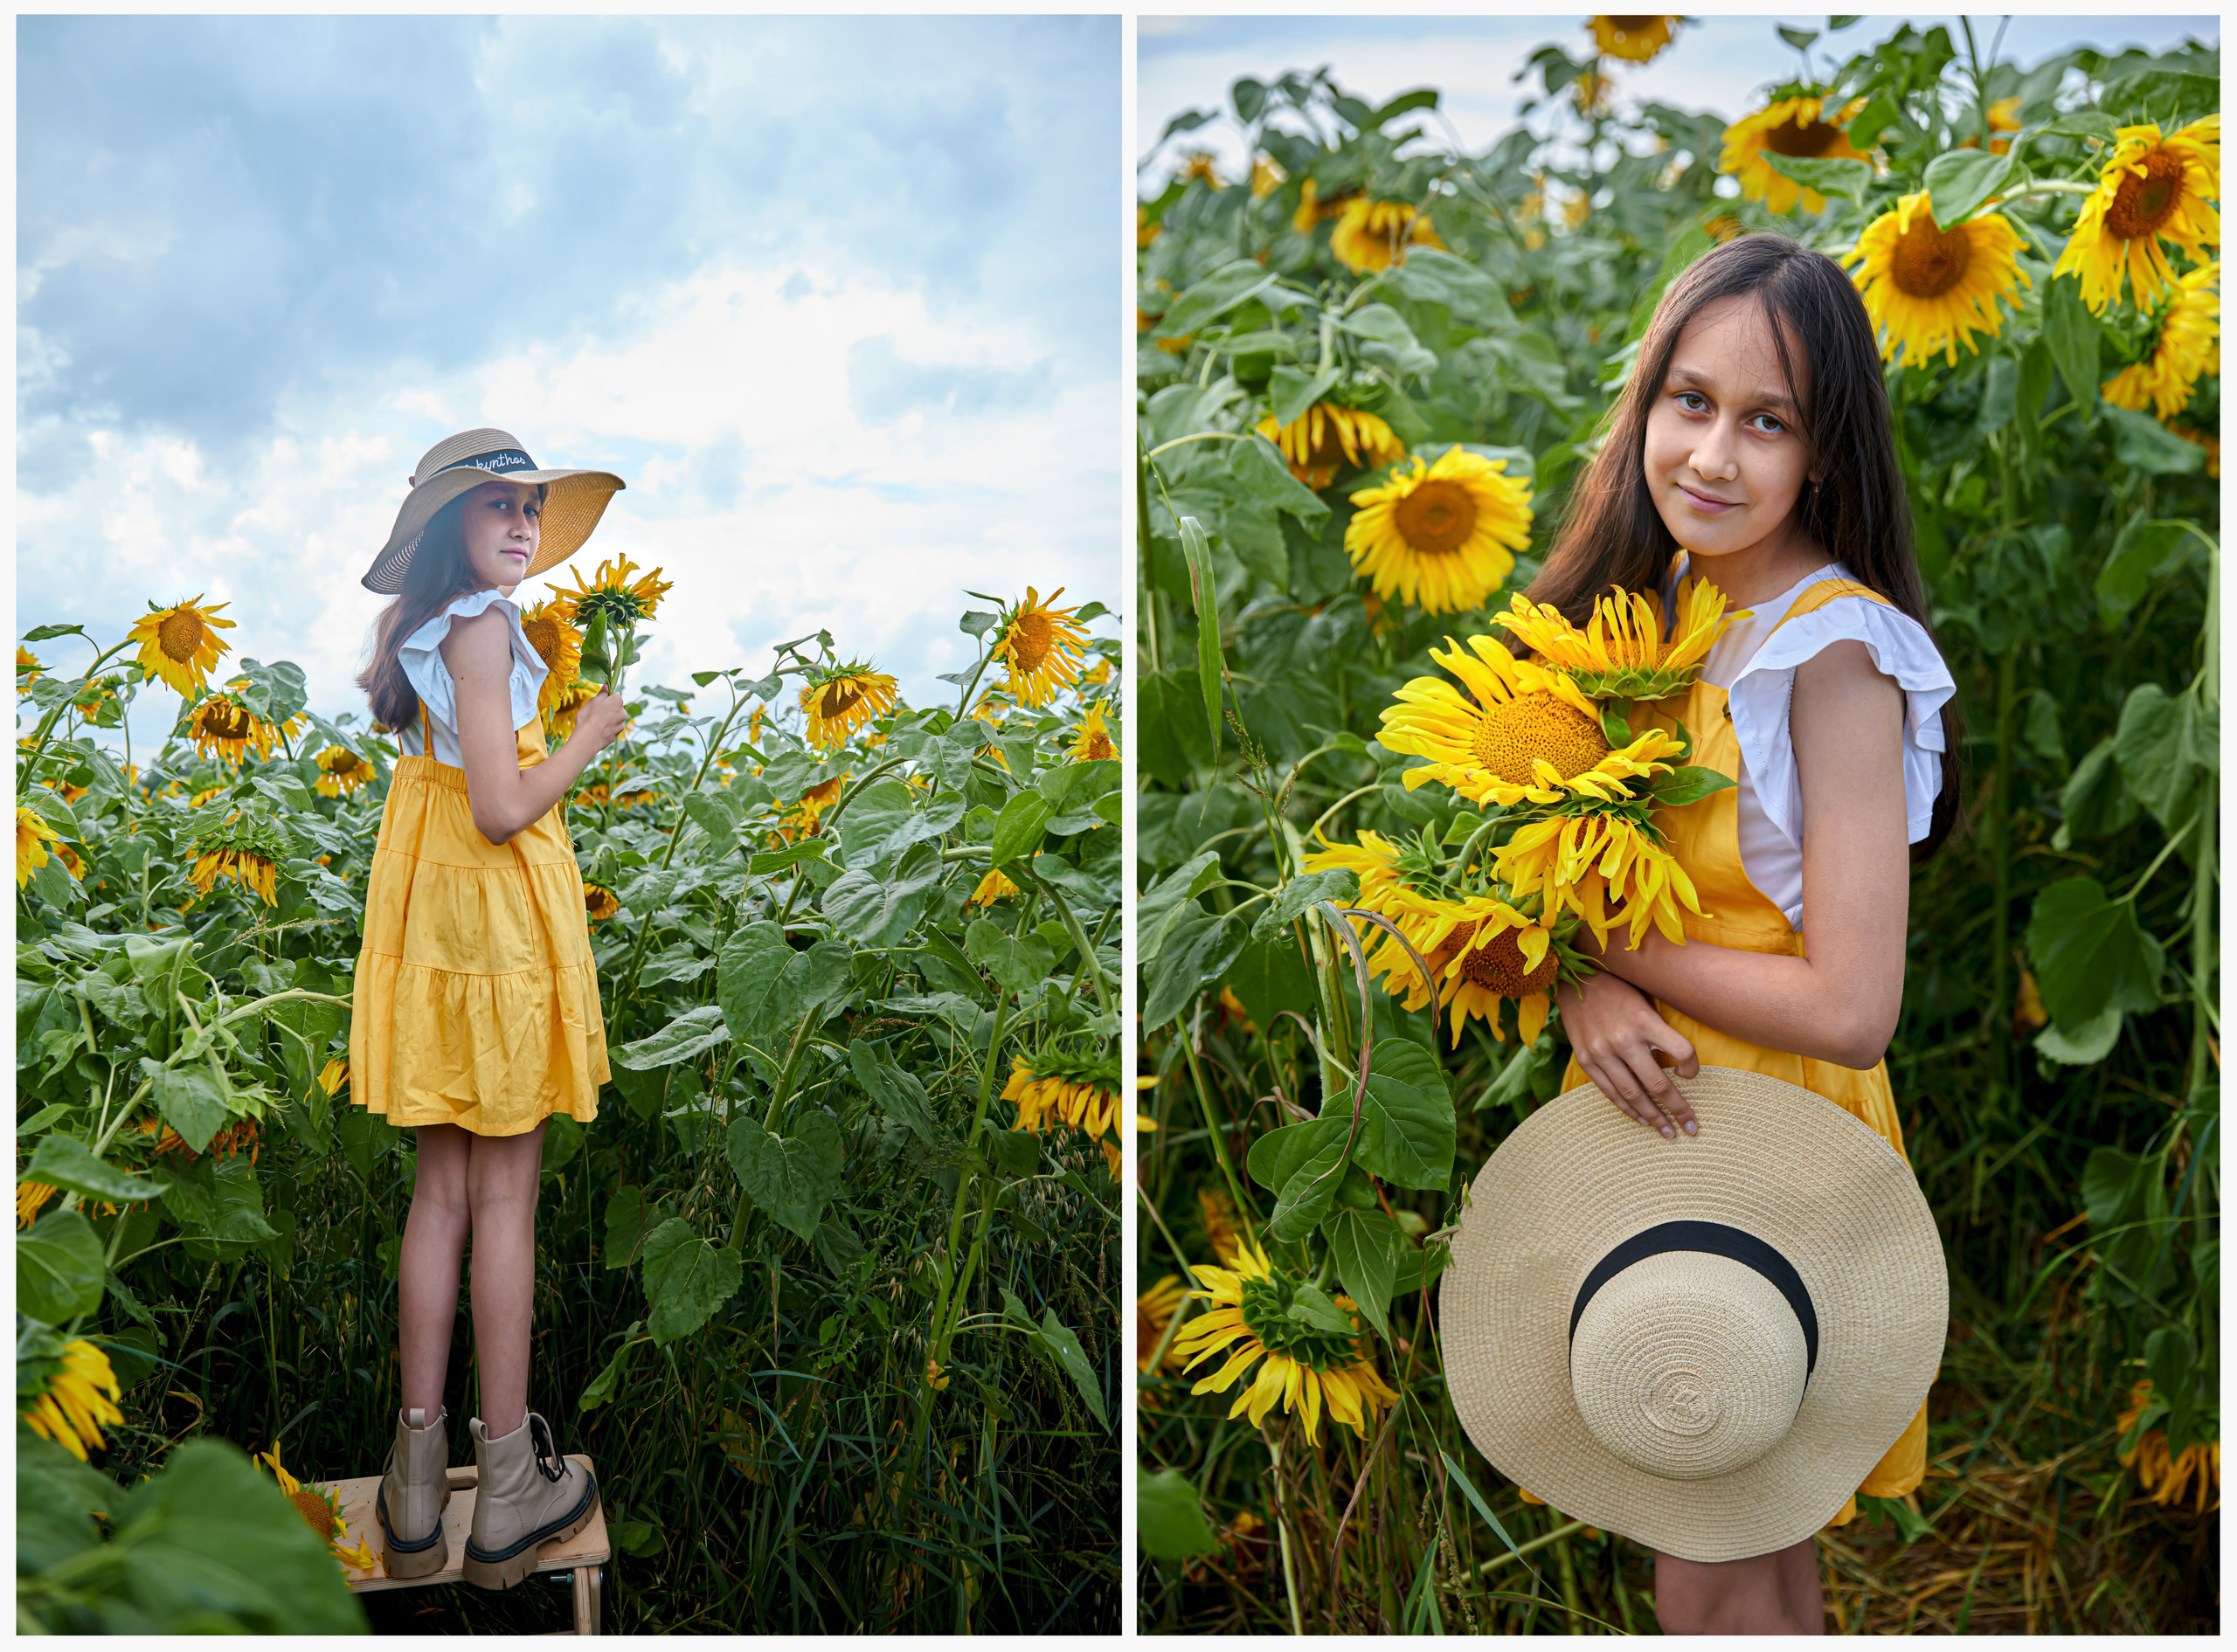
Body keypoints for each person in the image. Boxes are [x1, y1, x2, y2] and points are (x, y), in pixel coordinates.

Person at [1529, 235, 1959, 1634]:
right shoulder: (1650, 621)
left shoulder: (1831, 656)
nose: (1713, 454)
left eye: (1766, 420)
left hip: (1769, 1138)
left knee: (1703, 1549)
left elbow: (1851, 1005)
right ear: (1642, 406)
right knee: (1753, 1543)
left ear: (1826, 452)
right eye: (1689, 401)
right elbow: (1528, 859)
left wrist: (1606, 951)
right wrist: (1577, 983)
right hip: (1660, 1126)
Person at [346, 428, 631, 1589]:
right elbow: (504, 806)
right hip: (489, 928)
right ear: (443, 531)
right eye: (497, 507)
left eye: (531, 508)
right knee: (504, 1194)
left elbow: (451, 782)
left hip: (432, 926)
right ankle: (506, 1490)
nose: (521, 525)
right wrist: (583, 738)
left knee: (442, 1196)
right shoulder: (480, 627)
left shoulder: (424, 631)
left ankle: (416, 1494)